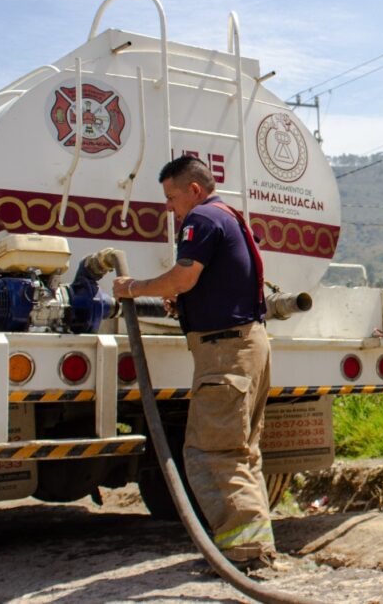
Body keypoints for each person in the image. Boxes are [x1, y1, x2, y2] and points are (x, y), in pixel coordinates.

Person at [113, 155, 277, 570]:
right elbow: (213, 282)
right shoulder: (229, 217)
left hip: (225, 351)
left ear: (195, 190)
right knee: (241, 453)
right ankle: (253, 550)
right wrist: (185, 302)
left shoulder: (201, 218)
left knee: (212, 453)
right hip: (247, 344)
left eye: (172, 198)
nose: (170, 208)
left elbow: (184, 276)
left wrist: (132, 287)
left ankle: (245, 555)